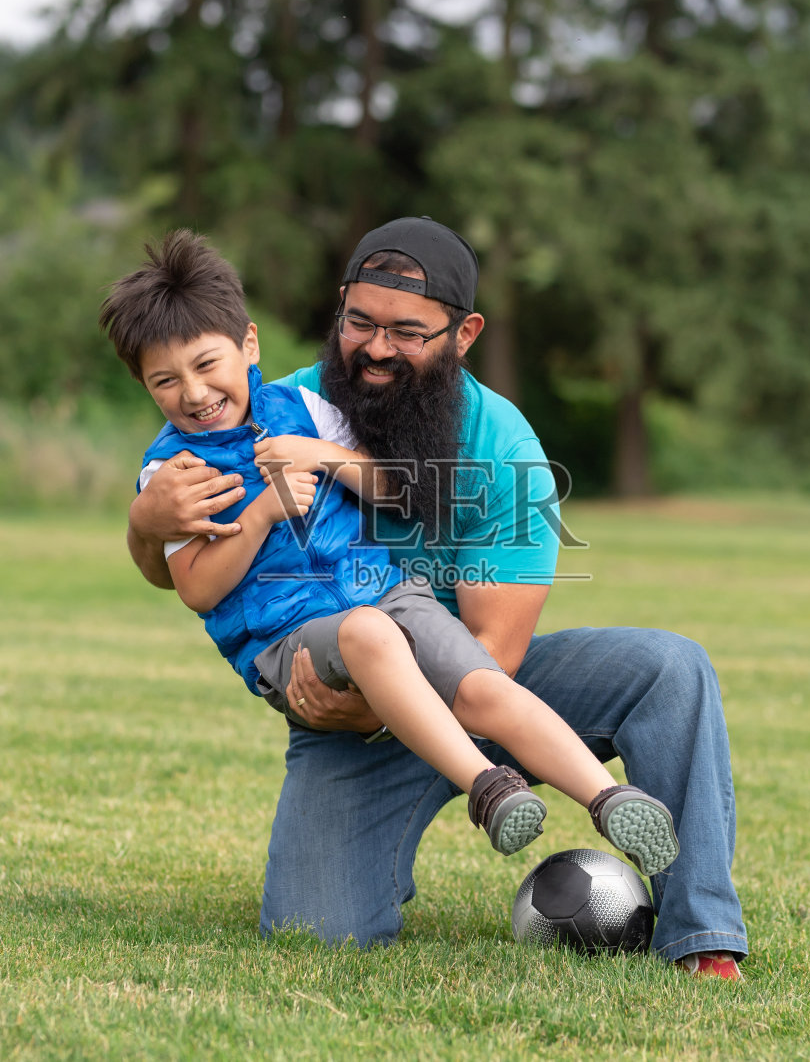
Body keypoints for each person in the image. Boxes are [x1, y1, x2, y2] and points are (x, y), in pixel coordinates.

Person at [127, 217, 748, 979]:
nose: (378, 347)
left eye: (408, 330)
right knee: (315, 931)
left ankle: (702, 935)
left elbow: (496, 653)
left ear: (464, 333)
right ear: (338, 314)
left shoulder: (506, 451)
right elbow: (188, 576)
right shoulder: (275, 410)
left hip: (476, 681)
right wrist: (143, 526)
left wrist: (381, 693)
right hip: (352, 715)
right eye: (361, 322)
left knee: (669, 668)